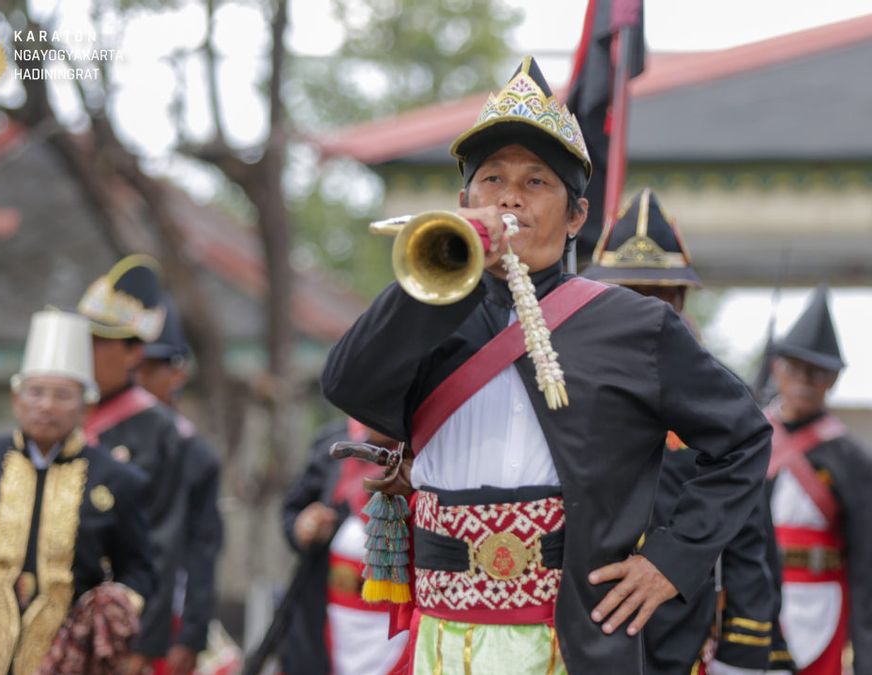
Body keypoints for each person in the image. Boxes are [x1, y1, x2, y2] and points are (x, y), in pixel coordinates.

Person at [321, 56, 772, 673]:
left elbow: (743, 439)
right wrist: (434, 278)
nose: (510, 197)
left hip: (573, 644)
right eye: (492, 179)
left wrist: (672, 560)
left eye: (537, 181)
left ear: (577, 217)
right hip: (442, 642)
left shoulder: (636, 326)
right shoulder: (427, 317)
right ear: (463, 199)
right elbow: (348, 383)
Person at [584, 188, 788, 674]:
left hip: (675, 628)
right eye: (626, 295)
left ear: (680, 303)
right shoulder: (561, 381)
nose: (640, 311)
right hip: (574, 620)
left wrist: (742, 651)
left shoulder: (714, 405)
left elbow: (745, 536)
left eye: (656, 298)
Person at [0, 308, 155, 672]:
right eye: (36, 392)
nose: (46, 405)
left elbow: (139, 568)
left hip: (60, 662)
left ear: (86, 407)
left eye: (61, 395)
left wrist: (116, 603)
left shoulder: (118, 480)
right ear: (16, 399)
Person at [764, 285, 872, 674]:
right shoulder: (750, 442)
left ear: (833, 379)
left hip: (823, 605)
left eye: (817, 372)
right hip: (751, 600)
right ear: (776, 368)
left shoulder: (853, 461)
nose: (805, 379)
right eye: (795, 367)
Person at [77, 254, 189, 672]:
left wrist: (143, 641)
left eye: (101, 340)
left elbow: (161, 540)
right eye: (86, 337)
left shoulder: (157, 429)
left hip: (119, 619)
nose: (88, 350)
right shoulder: (67, 416)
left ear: (133, 352)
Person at [134, 295, 224, 675]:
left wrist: (191, 634)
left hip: (166, 615)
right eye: (133, 366)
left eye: (149, 367)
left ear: (176, 374)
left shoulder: (193, 453)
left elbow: (202, 549)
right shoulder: (95, 440)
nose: (137, 378)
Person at [278, 419, 409, 675]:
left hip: (394, 617)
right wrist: (304, 526)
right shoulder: (334, 442)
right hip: (330, 610)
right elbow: (293, 509)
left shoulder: (425, 447)